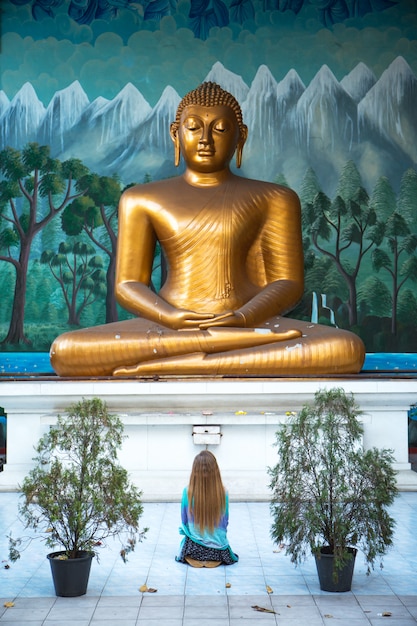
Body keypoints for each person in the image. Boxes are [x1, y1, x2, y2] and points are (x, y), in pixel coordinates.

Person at [50, 81, 365, 377]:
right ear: (176, 134)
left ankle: (178, 362)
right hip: (168, 327)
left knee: (345, 348)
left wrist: (243, 317)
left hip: (249, 326)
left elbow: (287, 283)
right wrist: (169, 317)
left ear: (240, 136)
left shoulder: (274, 199)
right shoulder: (140, 200)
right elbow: (129, 284)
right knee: (66, 351)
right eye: (193, 128)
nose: (205, 139)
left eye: (220, 129)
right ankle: (219, 355)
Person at [176, 450, 238, 567]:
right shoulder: (223, 493)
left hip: (193, 550)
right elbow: (225, 522)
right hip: (218, 551)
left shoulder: (187, 492)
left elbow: (184, 522)